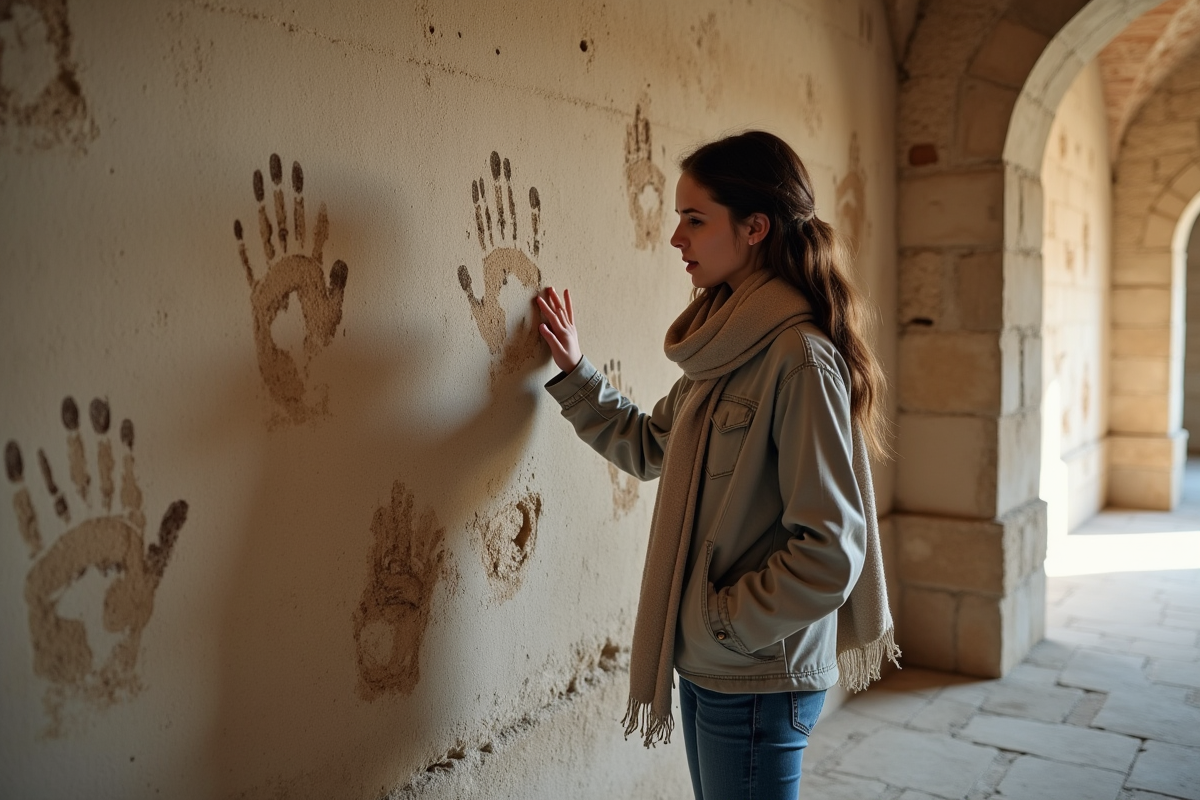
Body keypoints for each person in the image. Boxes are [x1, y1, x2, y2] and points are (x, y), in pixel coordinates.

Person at [536, 130, 899, 800]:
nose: (677, 238)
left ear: (754, 227)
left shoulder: (799, 359)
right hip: (712, 662)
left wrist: (724, 623)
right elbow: (652, 446)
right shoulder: (726, 345)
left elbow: (831, 552)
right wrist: (577, 374)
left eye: (695, 220)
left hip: (757, 673)